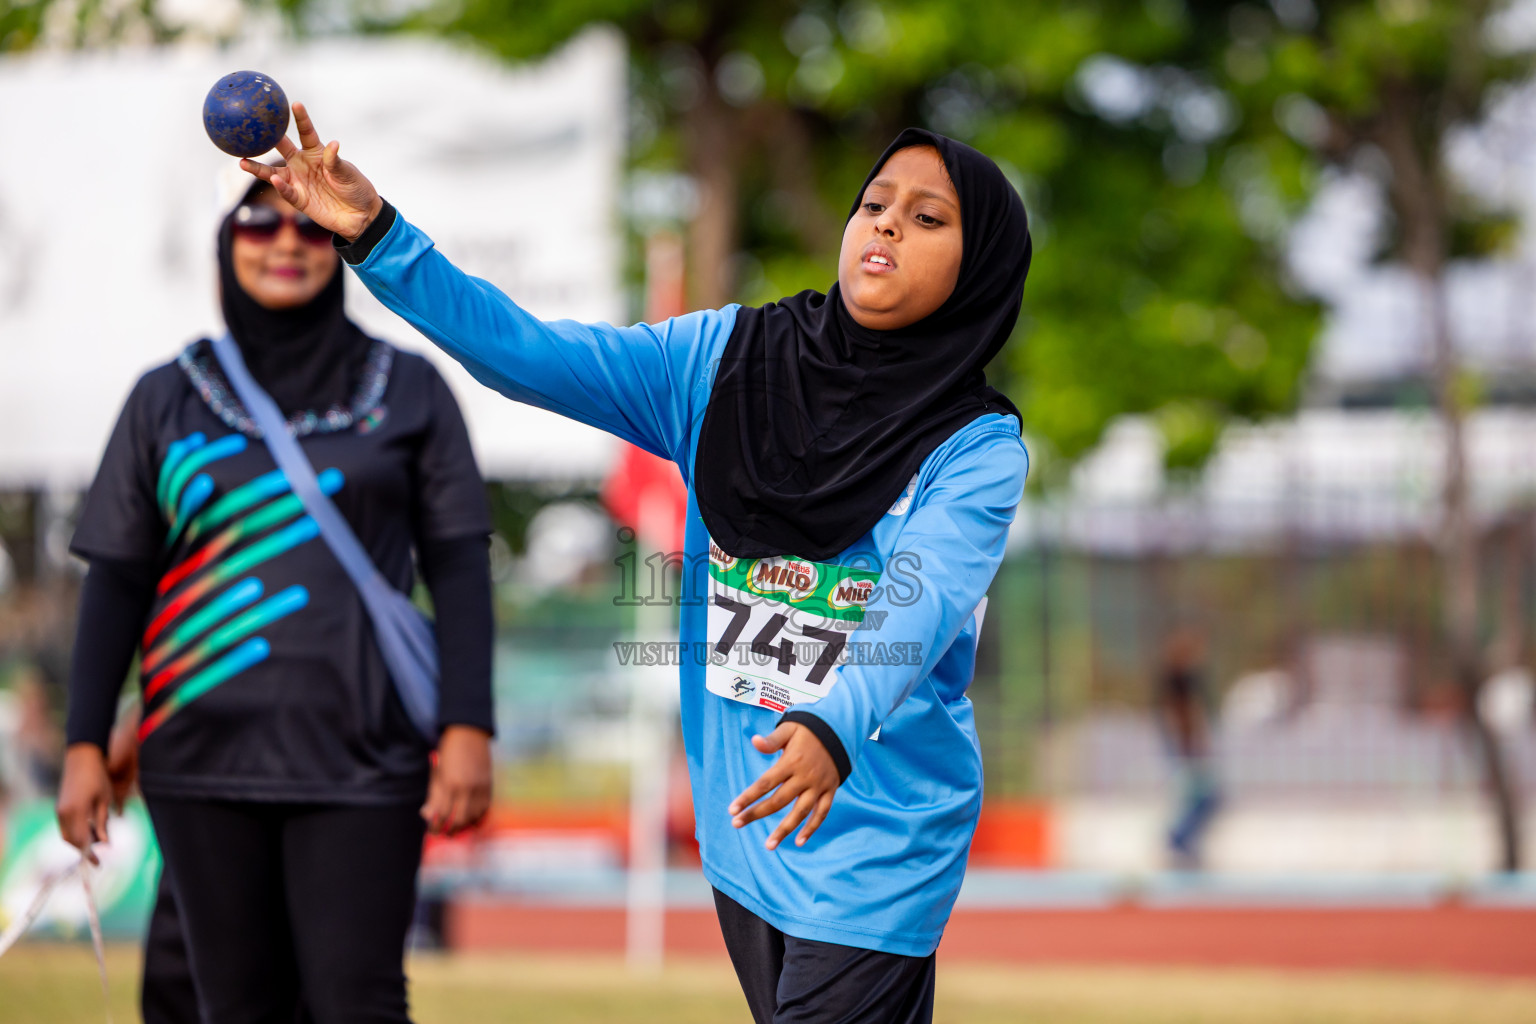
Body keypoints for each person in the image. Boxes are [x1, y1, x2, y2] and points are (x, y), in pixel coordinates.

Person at [248, 105, 1030, 1024]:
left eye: (928, 218)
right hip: (748, 834)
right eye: (874, 204)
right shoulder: (724, 360)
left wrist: (832, 722)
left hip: (878, 832)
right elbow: (526, 354)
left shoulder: (977, 447)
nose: (887, 223)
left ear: (978, 271)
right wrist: (380, 236)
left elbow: (923, 601)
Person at [54, 173, 498, 1024]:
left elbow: (459, 569)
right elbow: (115, 580)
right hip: (199, 759)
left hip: (364, 756)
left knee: (354, 1000)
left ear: (338, 247)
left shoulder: (409, 389)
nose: (286, 243)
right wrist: (82, 743)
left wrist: (469, 727)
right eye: (258, 226)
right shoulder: (165, 397)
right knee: (236, 1005)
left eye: (308, 228)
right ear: (227, 248)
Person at [1156, 627, 1222, 869]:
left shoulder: (1182, 679)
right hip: (1187, 746)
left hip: (1186, 744)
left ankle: (1181, 841)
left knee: (1199, 797)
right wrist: (1191, 744)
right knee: (1205, 797)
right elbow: (1182, 714)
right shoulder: (1179, 679)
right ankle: (1178, 841)